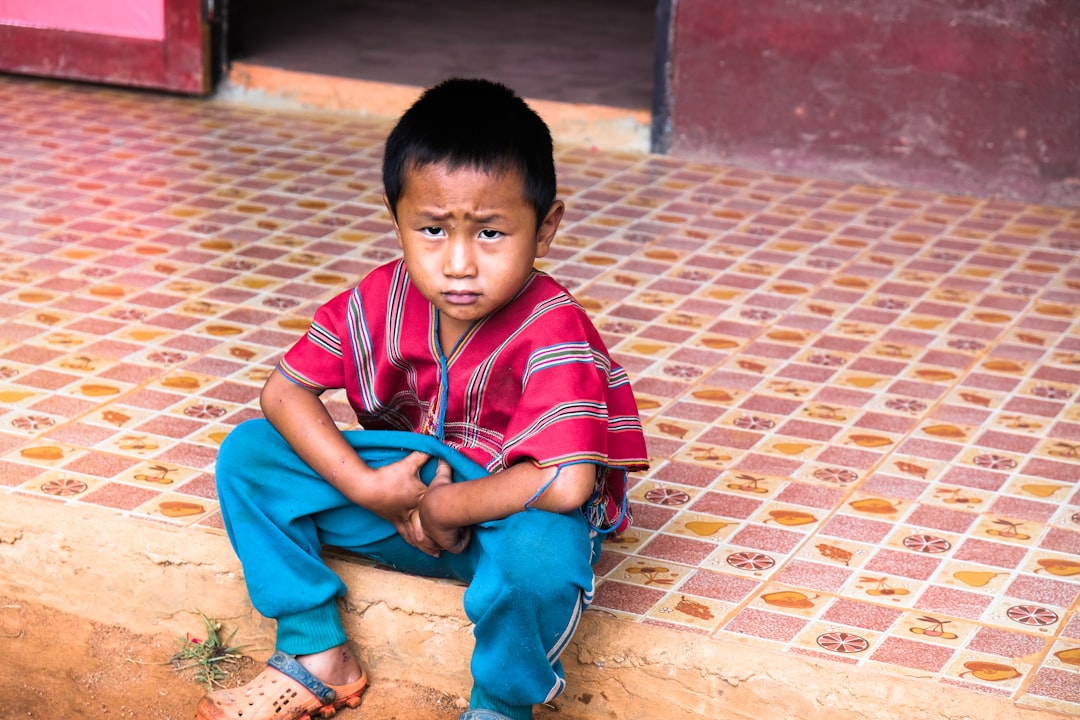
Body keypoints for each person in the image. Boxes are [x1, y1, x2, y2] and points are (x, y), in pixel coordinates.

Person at [196, 78, 649, 720]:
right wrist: (367, 488)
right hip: (397, 508)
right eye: (433, 229)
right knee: (250, 455)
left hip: (502, 522)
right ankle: (317, 651)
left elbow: (568, 483)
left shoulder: (554, 327)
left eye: (490, 233)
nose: (458, 263)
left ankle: (498, 706)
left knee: (546, 557)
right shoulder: (383, 297)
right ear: (397, 219)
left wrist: (448, 506)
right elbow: (284, 392)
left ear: (545, 228)